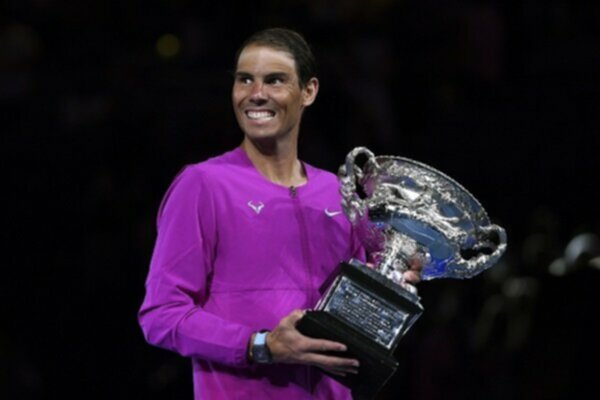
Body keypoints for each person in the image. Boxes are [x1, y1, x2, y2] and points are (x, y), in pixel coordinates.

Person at [138, 27, 421, 399]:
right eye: (245, 80)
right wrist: (261, 345)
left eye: (274, 80)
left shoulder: (340, 195)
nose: (256, 94)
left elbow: (360, 319)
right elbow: (161, 315)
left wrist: (393, 284)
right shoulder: (203, 185)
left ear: (309, 91)